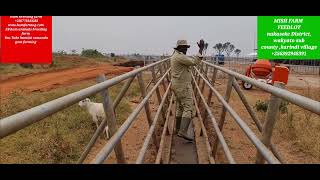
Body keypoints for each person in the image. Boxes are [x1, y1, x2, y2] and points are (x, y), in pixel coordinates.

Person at [170, 39, 204, 141]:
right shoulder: (179, 57)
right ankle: (183, 132)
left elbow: (189, 60)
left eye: (187, 48)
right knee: (188, 107)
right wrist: (201, 49)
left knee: (181, 107)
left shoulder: (176, 56)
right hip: (182, 86)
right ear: (179, 48)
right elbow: (194, 62)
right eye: (184, 48)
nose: (186, 49)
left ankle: (178, 129)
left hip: (177, 85)